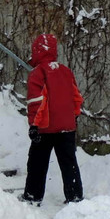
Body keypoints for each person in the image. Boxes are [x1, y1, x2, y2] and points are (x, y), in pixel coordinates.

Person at [21, 33, 84, 205]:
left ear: (37, 51)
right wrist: (74, 116)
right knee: (69, 163)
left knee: (37, 163)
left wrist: (34, 125)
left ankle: (33, 196)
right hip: (66, 127)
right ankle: (75, 196)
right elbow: (76, 97)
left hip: (45, 127)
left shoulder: (38, 73)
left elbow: (36, 101)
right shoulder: (65, 71)